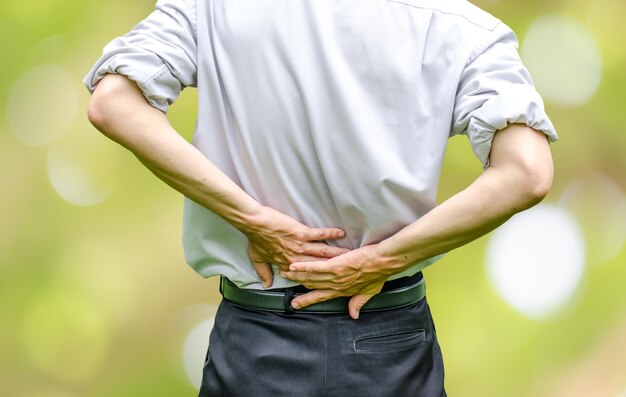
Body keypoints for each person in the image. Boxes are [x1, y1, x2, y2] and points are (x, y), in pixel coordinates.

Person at [84, 0, 557, 395]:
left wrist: (252, 218)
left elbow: (114, 103)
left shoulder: (212, 8)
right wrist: (383, 260)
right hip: (390, 342)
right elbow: (527, 172)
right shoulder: (462, 28)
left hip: (256, 339)